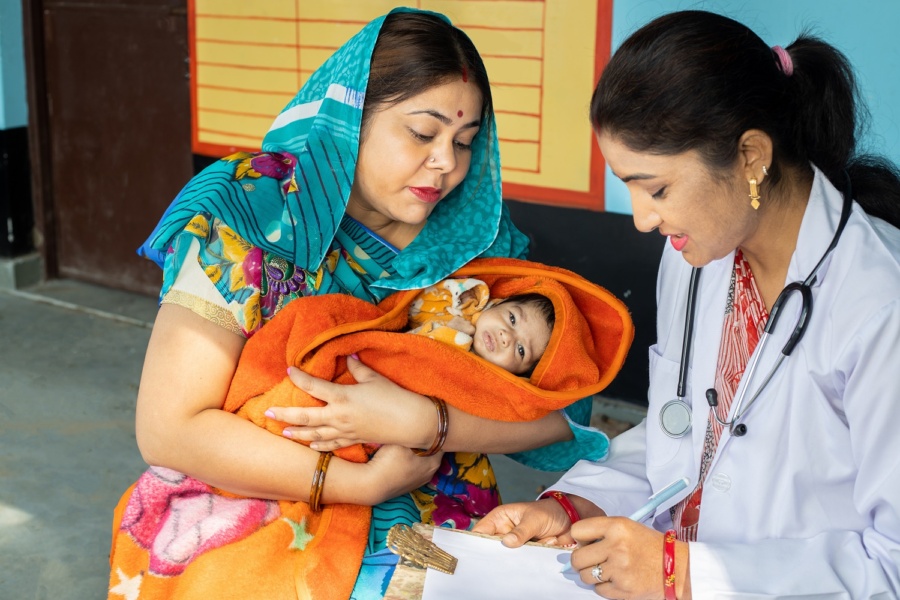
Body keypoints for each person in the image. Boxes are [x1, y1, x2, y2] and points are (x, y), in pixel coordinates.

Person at [108, 8, 623, 600]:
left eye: (464, 141)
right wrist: (356, 482)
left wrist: (427, 422)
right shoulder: (254, 213)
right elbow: (169, 430)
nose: (448, 165)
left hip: (436, 520)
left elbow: (566, 411)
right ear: (350, 118)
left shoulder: (473, 239)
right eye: (422, 133)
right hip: (250, 508)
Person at [473, 9, 900, 599]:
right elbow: (683, 432)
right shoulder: (697, 256)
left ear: (750, 155)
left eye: (658, 188)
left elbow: (892, 565)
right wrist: (574, 509)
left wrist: (686, 575)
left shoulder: (881, 304)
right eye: (628, 185)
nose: (643, 218)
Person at [407, 277, 555, 375]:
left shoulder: (478, 378)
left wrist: (448, 334)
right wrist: (459, 297)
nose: (507, 337)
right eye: (512, 319)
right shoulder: (464, 301)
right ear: (499, 302)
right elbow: (412, 304)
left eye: (521, 350)